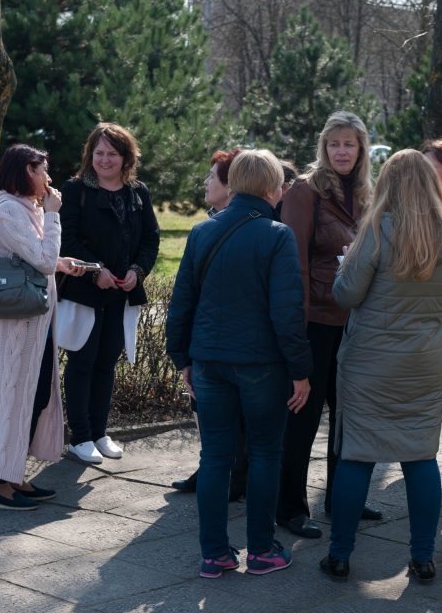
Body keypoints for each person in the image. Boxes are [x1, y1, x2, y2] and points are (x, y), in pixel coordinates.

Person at [319, 149, 442, 583]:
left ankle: (340, 555)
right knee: (420, 457)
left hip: (370, 363)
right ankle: (423, 558)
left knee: (357, 456)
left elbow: (346, 295)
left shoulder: (376, 230)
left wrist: (343, 265)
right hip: (424, 363)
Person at [166, 148, 313, 579]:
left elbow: (182, 302)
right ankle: (262, 550)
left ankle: (213, 554)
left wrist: (182, 359)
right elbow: (287, 313)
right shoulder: (276, 234)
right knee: (266, 454)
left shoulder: (201, 231)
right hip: (261, 365)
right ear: (272, 187)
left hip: (209, 361)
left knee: (215, 457)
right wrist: (301, 370)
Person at [277, 110, 382, 540]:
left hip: (355, 323)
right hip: (315, 321)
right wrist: (296, 327)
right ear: (324, 147)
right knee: (302, 418)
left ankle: (343, 497)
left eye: (350, 144)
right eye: (334, 143)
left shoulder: (367, 193)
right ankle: (290, 506)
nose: (341, 151)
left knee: (349, 416)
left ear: (361, 150)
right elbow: (293, 261)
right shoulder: (305, 192)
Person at [0, 144, 85, 510]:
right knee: (14, 397)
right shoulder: (10, 210)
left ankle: (12, 474)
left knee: (32, 397)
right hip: (17, 326)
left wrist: (61, 262)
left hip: (31, 324)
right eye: (43, 170)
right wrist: (54, 216)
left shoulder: (21, 209)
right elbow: (40, 260)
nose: (49, 179)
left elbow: (35, 257)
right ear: (26, 171)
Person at [58, 123, 160, 464]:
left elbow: (150, 239)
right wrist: (94, 270)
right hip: (85, 293)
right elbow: (66, 238)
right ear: (90, 155)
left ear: (126, 157)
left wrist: (137, 271)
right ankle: (80, 436)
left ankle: (100, 433)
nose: (104, 160)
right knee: (82, 362)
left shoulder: (138, 192)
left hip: (121, 293)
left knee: (106, 364)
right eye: (98, 153)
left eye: (112, 154)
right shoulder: (75, 190)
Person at [171, 148, 248, 499]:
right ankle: (217, 472)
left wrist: (181, 353)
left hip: (217, 349)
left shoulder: (214, 231)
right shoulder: (213, 224)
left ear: (230, 187)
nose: (204, 182)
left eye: (211, 176)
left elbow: (187, 299)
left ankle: (228, 476)